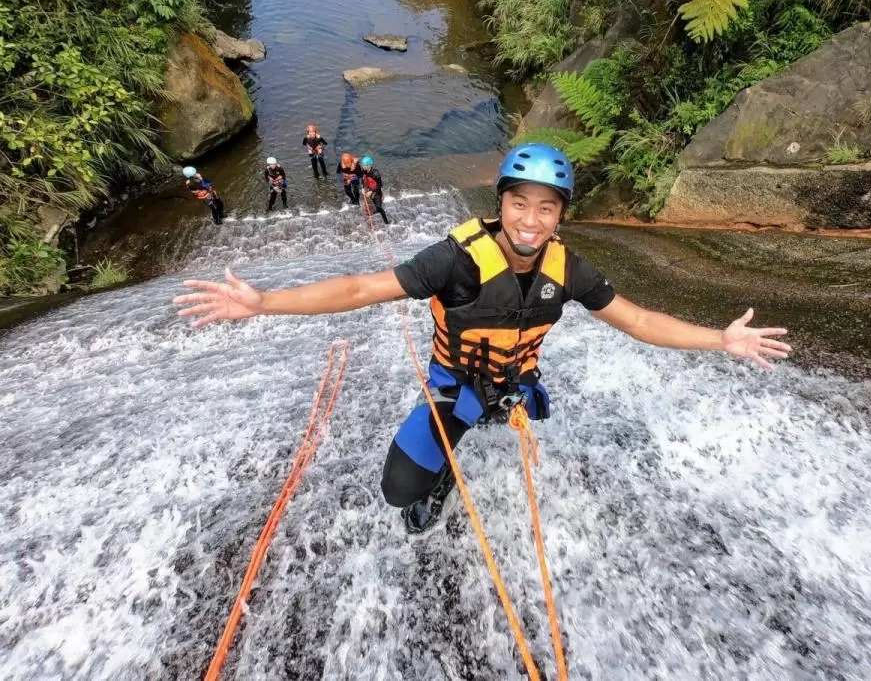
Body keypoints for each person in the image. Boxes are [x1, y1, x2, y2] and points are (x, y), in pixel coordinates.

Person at [174, 144, 791, 534]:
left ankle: (499, 413)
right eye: (519, 203)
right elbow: (362, 288)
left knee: (505, 406)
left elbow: (639, 321)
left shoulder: (568, 270)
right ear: (500, 204)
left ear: (560, 216)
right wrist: (263, 303)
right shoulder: (454, 261)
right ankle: (444, 472)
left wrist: (720, 339)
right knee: (399, 492)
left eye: (546, 208)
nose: (530, 219)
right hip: (455, 387)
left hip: (516, 385)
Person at [359, 154, 390, 225]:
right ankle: (376, 210)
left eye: (364, 165)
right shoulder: (364, 171)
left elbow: (380, 185)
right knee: (374, 204)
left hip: (377, 192)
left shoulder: (375, 173)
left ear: (368, 165)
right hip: (370, 190)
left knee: (379, 207)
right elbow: (363, 179)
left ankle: (386, 221)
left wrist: (371, 191)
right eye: (362, 165)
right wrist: (363, 188)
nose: (362, 167)